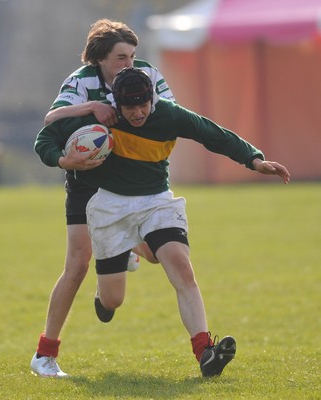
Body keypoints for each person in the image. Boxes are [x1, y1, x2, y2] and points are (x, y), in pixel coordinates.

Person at [34, 67, 290, 378]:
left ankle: (204, 352)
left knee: (180, 266)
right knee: (113, 299)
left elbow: (213, 134)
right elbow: (46, 137)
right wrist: (63, 160)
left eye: (143, 105)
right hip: (110, 207)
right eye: (130, 108)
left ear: (152, 99)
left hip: (156, 201)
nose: (138, 113)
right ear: (117, 103)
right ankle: (109, 287)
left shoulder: (168, 114)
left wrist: (255, 160)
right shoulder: (101, 118)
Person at [30, 19, 175, 378]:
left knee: (159, 255)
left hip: (133, 181)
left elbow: (171, 113)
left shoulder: (146, 73)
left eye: (132, 55)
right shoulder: (82, 80)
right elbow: (52, 118)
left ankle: (125, 246)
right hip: (87, 181)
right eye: (121, 57)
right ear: (100, 59)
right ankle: (44, 356)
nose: (130, 63)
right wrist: (91, 109)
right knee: (78, 264)